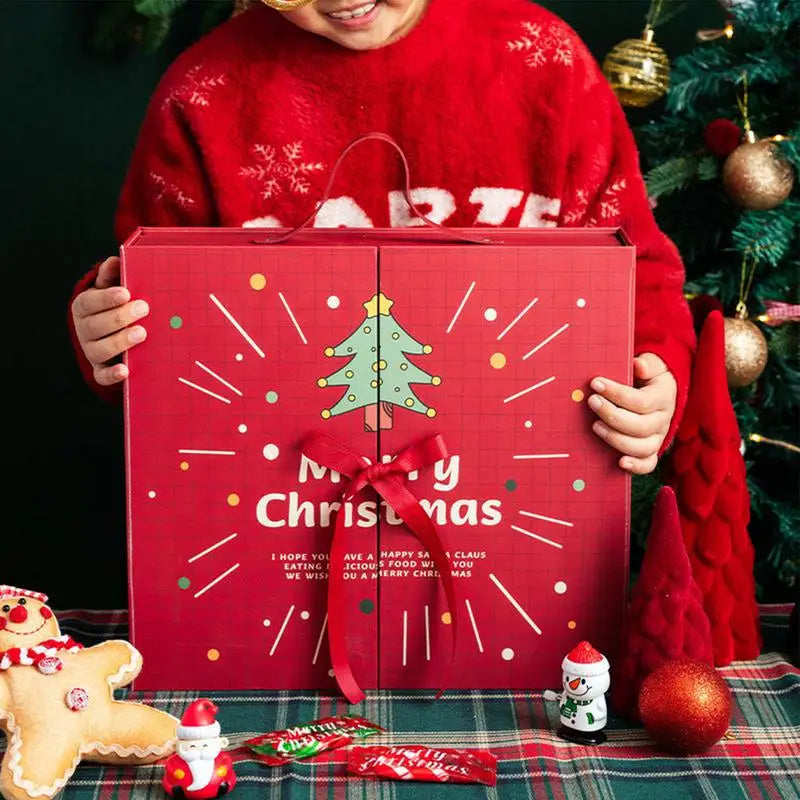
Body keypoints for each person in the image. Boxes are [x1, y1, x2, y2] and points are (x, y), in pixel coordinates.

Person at [69, 0, 695, 474]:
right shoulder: (203, 94)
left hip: (516, 500)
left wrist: (655, 382)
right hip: (279, 505)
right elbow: (149, 297)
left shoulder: (543, 60)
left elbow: (640, 273)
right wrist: (107, 337)